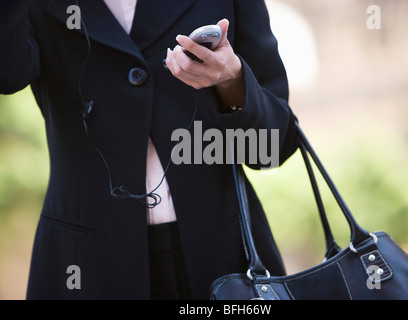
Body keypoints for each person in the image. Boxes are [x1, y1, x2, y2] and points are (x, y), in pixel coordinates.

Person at [0, 0, 299, 300]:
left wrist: (233, 81)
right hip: (86, 265)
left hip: (222, 259)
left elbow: (274, 146)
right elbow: (8, 74)